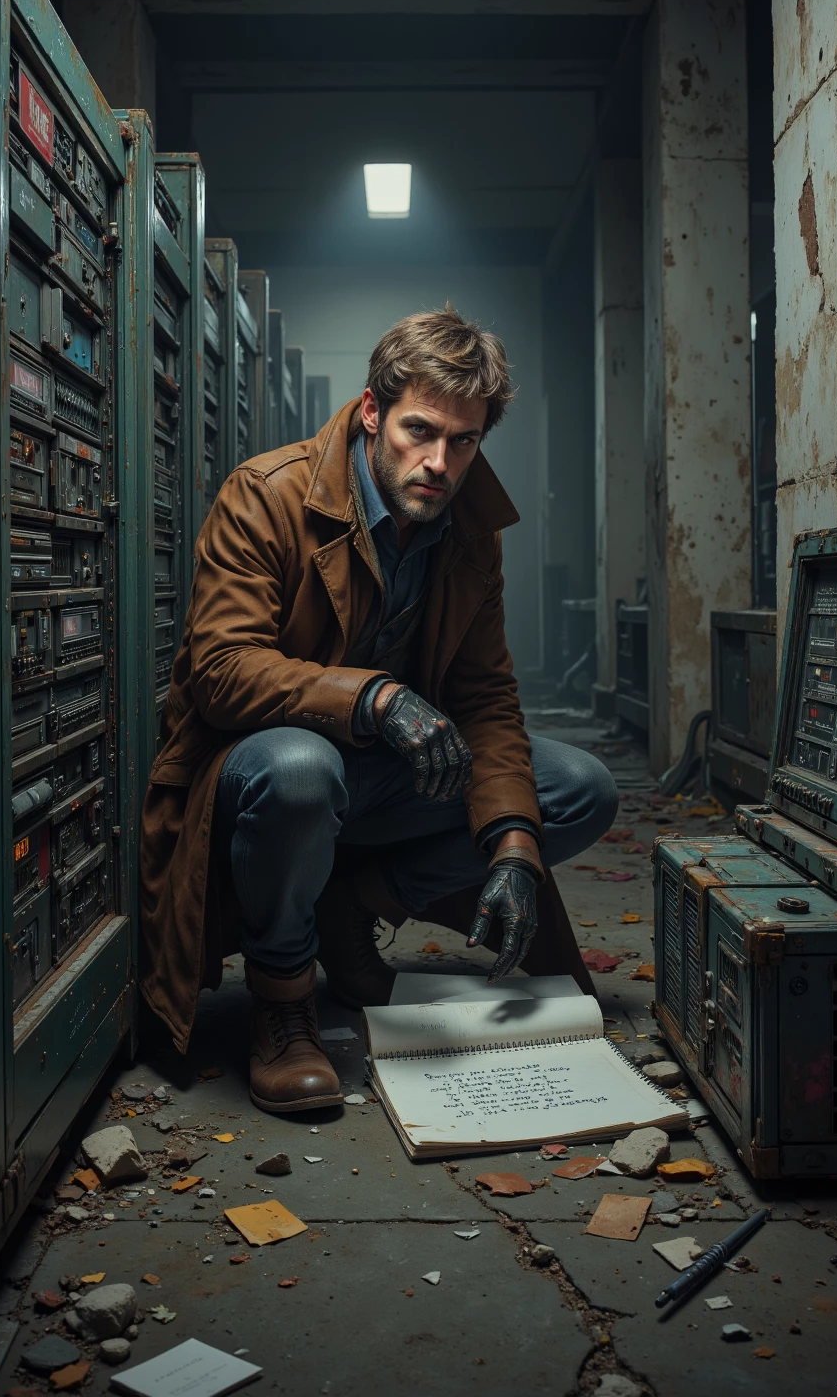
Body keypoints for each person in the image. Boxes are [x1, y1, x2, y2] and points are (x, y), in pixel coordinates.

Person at [139, 305, 618, 1114]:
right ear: (372, 412)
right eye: (419, 431)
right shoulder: (266, 495)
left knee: (576, 790)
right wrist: (374, 696)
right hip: (263, 775)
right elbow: (218, 669)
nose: (439, 461)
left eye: (463, 441)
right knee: (300, 769)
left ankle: (353, 907)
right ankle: (284, 998)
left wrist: (509, 845)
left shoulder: (470, 528)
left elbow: (486, 698)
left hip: (388, 777)